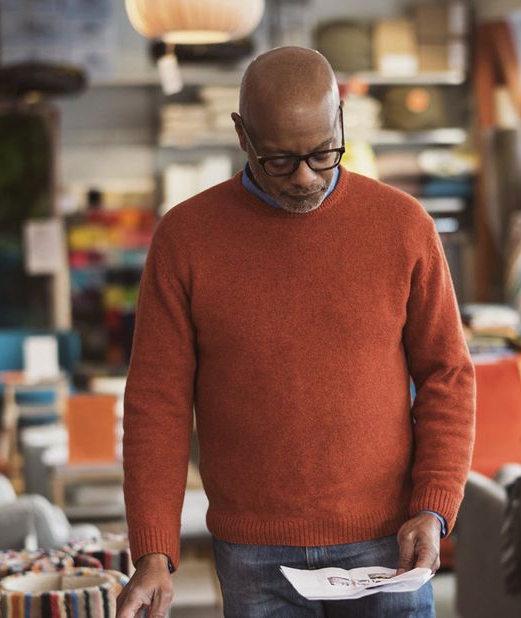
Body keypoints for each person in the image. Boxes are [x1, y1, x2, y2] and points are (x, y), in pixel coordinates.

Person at [115, 46, 476, 618]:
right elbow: (156, 402)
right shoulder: (185, 238)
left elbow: (448, 375)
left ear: (341, 122)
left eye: (323, 153)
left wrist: (433, 507)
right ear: (242, 135)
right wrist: (155, 550)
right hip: (253, 552)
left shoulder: (404, 226)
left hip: (388, 539)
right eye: (279, 160)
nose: (305, 176)